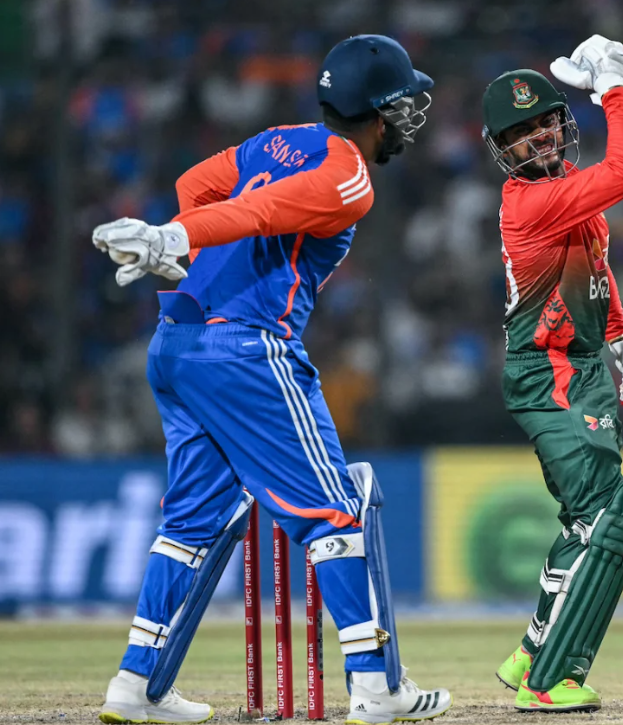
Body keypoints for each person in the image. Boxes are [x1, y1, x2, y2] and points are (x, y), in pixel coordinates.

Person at [92, 35, 451, 725]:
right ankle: (376, 687)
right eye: (403, 105)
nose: (409, 119)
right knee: (335, 510)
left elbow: (198, 186)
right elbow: (256, 214)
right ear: (377, 110)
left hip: (176, 345)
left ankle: (135, 686)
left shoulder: (279, 140)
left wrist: (180, 248)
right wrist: (176, 242)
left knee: (191, 523)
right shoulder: (350, 178)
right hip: (245, 353)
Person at [481, 35, 623, 713]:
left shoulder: (567, 193)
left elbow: (593, 271)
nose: (536, 139)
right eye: (520, 133)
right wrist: (615, 90)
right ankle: (548, 681)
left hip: (582, 364)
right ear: (501, 149)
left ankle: (532, 653)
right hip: (548, 373)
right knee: (604, 521)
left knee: (584, 518)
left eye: (543, 124)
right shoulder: (529, 202)